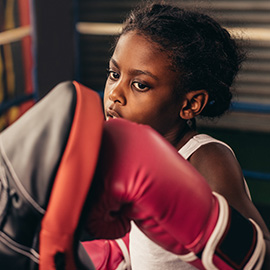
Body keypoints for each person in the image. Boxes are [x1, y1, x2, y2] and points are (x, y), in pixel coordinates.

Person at [83, 2, 270, 269]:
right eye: (114, 74)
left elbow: (261, 257)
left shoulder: (206, 157)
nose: (114, 93)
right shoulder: (124, 154)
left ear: (190, 105)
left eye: (140, 84)